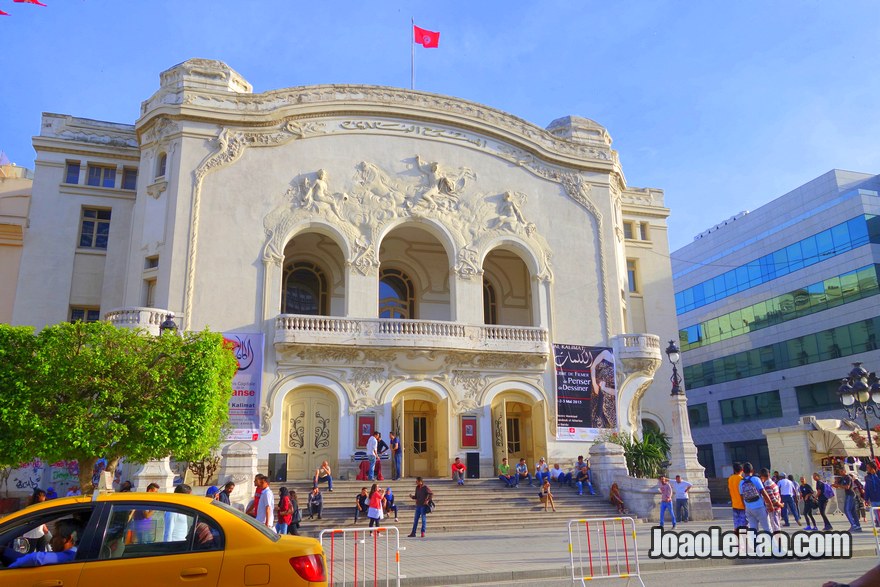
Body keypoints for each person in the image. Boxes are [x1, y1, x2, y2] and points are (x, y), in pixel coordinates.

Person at [8, 519, 82, 568]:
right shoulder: (78, 551)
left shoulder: (68, 557)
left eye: (55, 537)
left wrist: (5, 552)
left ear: (68, 539)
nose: (50, 541)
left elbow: (36, 558)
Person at [739, 462, 772, 532]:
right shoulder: (756, 479)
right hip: (759, 507)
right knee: (767, 529)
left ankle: (755, 542)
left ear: (743, 471)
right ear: (752, 471)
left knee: (753, 529)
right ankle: (773, 543)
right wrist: (770, 505)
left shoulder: (741, 482)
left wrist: (746, 508)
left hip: (749, 509)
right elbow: (764, 493)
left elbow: (742, 497)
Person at [833, 467, 861, 532]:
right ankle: (858, 525)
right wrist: (836, 483)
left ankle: (853, 525)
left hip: (850, 494)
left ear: (844, 471)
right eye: (839, 472)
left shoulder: (848, 477)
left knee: (847, 509)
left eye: (841, 471)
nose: (840, 473)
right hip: (848, 494)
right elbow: (838, 484)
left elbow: (847, 487)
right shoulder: (842, 478)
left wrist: (839, 486)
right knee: (853, 511)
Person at [728, 462, 747, 530]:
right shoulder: (741, 479)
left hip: (734, 504)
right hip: (742, 505)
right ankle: (745, 540)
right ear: (742, 470)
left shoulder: (730, 478)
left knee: (736, 525)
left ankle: (737, 539)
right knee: (744, 525)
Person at [864, 461, 880, 526]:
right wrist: (866, 499)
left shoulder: (878, 475)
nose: (867, 469)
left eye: (868, 467)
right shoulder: (867, 477)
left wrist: (876, 476)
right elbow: (867, 489)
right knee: (877, 516)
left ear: (873, 467)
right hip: (873, 499)